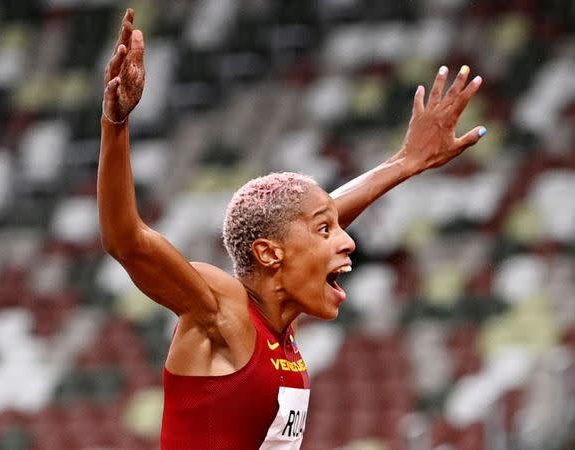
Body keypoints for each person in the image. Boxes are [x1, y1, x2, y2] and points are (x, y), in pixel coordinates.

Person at [98, 9, 486, 450]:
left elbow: (309, 227)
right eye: (326, 231)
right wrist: (116, 124)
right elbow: (126, 241)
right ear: (269, 255)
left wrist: (405, 163)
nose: (348, 240)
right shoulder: (223, 312)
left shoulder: (282, 328)